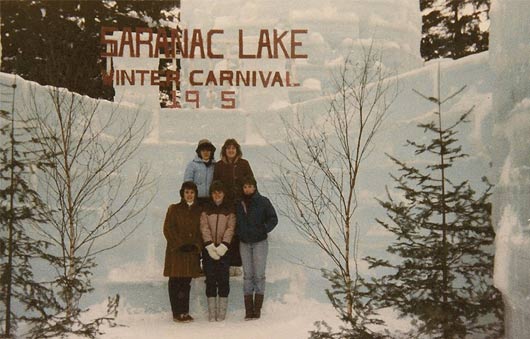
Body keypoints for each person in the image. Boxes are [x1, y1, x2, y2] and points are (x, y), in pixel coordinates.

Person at [236, 175, 278, 320]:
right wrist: (239, 232)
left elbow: (273, 218)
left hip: (260, 242)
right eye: (245, 187)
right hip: (244, 243)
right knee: (248, 275)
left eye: (250, 186)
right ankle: (249, 310)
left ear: (254, 187)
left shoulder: (263, 202)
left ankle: (257, 308)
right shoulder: (239, 202)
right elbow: (234, 220)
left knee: (259, 275)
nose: (247, 189)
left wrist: (263, 229)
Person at [163, 181, 203, 323]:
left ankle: (184, 312)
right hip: (176, 252)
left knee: (186, 281)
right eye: (187, 192)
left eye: (192, 192)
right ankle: (176, 312)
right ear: (182, 193)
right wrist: (180, 244)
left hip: (190, 252)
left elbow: (201, 230)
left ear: (195, 194)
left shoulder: (199, 210)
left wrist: (196, 246)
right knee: (175, 281)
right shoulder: (173, 209)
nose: (189, 195)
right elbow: (168, 229)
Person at [213, 138, 254, 275]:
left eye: (233, 148)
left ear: (237, 150)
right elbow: (215, 185)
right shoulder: (219, 166)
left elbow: (251, 182)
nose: (231, 150)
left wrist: (250, 200)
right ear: (224, 151)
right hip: (225, 205)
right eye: (228, 148)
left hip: (241, 204)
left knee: (239, 232)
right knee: (225, 232)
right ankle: (226, 263)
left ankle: (237, 263)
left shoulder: (244, 164)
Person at [200, 180, 236, 321]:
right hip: (209, 250)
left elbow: (230, 228)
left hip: (224, 250)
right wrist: (209, 246)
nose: (217, 195)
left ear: (224, 193)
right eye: (214, 193)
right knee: (210, 279)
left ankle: (221, 313)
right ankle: (212, 312)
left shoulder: (229, 209)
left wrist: (223, 246)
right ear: (211, 194)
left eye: (219, 192)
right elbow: (204, 227)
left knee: (223, 279)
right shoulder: (206, 209)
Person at [184, 139, 216, 206]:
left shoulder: (215, 165)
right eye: (203, 150)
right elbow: (187, 183)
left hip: (211, 200)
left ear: (211, 152)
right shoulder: (192, 165)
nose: (206, 153)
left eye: (208, 150)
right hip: (196, 200)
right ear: (199, 152)